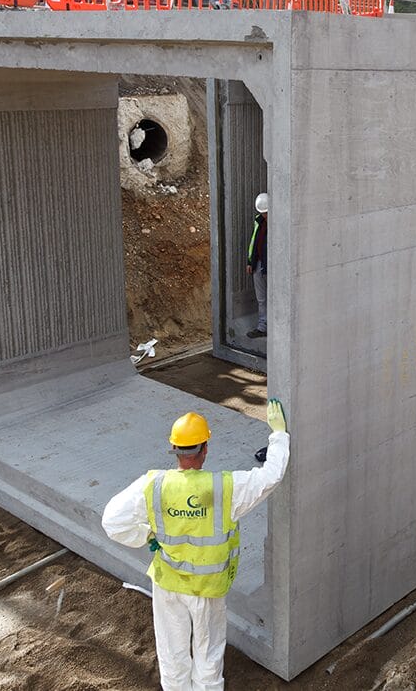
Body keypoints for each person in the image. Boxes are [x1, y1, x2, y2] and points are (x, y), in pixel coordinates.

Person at [101, 399, 291, 691]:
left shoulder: (152, 485)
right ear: (205, 449)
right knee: (208, 652)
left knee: (172, 652)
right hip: (207, 589)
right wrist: (278, 435)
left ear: (174, 450)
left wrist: (146, 536)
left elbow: (112, 522)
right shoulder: (226, 488)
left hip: (169, 584)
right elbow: (270, 476)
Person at [245, 193, 268, 339]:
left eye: (266, 212)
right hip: (259, 263)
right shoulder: (258, 221)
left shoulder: (279, 222)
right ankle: (262, 327)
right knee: (261, 298)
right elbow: (253, 241)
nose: (264, 215)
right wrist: (250, 262)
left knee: (275, 297)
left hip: (272, 264)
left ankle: (277, 326)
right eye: (262, 213)